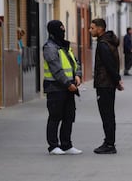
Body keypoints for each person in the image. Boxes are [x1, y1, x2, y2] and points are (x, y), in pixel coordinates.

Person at [43, 20, 82, 155]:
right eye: (60, 31)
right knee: (55, 116)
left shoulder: (65, 46)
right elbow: (56, 69)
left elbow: (75, 62)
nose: (63, 33)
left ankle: (66, 144)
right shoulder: (49, 48)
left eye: (63, 30)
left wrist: (77, 75)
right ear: (53, 32)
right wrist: (68, 83)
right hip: (55, 87)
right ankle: (53, 146)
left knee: (69, 116)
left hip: (69, 86)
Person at [89, 18, 124, 154]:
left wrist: (117, 81)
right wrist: (116, 81)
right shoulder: (109, 41)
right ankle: (109, 142)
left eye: (92, 28)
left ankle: (109, 144)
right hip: (108, 83)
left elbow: (109, 64)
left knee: (106, 114)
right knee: (108, 114)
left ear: (100, 28)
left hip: (104, 84)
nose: (90, 30)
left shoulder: (103, 44)